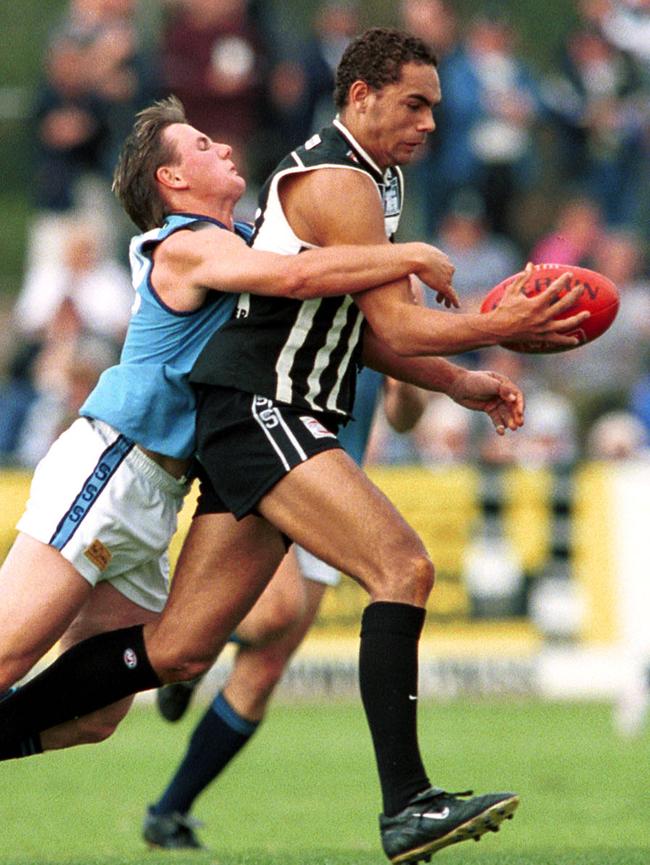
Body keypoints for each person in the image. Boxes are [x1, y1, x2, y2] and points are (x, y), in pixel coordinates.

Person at [0, 30, 590, 864]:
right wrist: (473, 307)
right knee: (403, 567)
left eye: (433, 106)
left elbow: (342, 317)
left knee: (160, 666)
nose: (429, 122)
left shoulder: (259, 231)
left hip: (177, 468)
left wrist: (460, 380)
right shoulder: (198, 238)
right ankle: (408, 803)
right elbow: (316, 285)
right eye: (415, 103)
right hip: (133, 453)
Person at [0, 91, 465, 747]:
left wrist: (461, 381)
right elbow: (302, 282)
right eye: (199, 146)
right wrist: (407, 253)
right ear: (173, 180)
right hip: (110, 467)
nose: (221, 147)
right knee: (7, 657)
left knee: (98, 716)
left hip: (156, 496)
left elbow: (351, 331)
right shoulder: (186, 244)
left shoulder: (242, 243)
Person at [143, 366, 429, 849]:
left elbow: (403, 420)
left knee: (266, 669)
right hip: (272, 463)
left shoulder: (394, 302)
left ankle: (169, 811)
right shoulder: (318, 291)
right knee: (278, 610)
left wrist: (407, 380)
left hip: (340, 490)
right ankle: (195, 642)